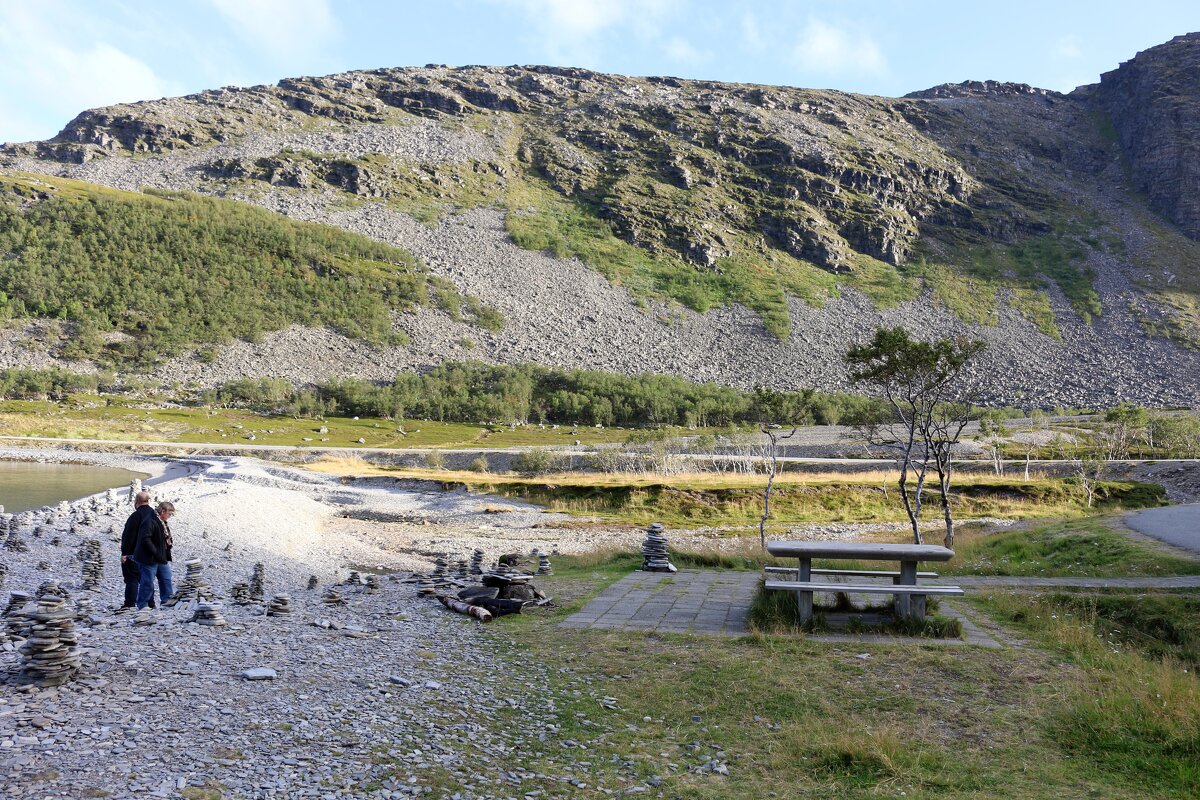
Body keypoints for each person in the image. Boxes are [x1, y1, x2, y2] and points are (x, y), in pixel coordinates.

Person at [133, 501, 176, 610]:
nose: (170, 517)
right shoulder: (150, 521)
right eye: (169, 514)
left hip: (161, 558)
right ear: (163, 511)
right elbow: (145, 540)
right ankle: (143, 605)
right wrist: (156, 553)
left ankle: (167, 602)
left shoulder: (161, 521)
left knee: (166, 578)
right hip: (148, 559)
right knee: (147, 582)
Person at [119, 491, 156, 611]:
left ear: (136, 502)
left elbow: (129, 536)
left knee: (132, 578)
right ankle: (150, 604)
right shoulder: (155, 515)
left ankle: (130, 604)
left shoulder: (136, 516)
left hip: (135, 554)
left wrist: (124, 553)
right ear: (148, 501)